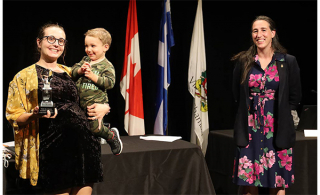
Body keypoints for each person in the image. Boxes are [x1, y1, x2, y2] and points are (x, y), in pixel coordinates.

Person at [6, 23, 111, 195]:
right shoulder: (23, 77)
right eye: (51, 39)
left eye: (61, 41)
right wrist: (33, 115)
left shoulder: (72, 73)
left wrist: (105, 107)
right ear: (39, 42)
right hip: (54, 151)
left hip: (85, 148)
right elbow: (14, 117)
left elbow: (96, 94)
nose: (56, 44)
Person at [231, 15, 301, 195]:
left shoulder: (287, 61)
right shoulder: (244, 61)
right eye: (255, 31)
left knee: (278, 182)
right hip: (250, 128)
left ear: (272, 33)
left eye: (263, 30)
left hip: (277, 128)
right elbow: (236, 94)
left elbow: (294, 97)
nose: (259, 34)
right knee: (248, 181)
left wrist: (285, 117)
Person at [71, 28, 122, 155]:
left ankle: (111, 136)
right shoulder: (85, 60)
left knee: (95, 129)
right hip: (79, 103)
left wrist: (93, 76)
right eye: (86, 46)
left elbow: (110, 83)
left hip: (96, 104)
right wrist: (80, 71)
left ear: (105, 47)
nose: (89, 49)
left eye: (93, 46)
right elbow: (72, 71)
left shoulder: (107, 65)